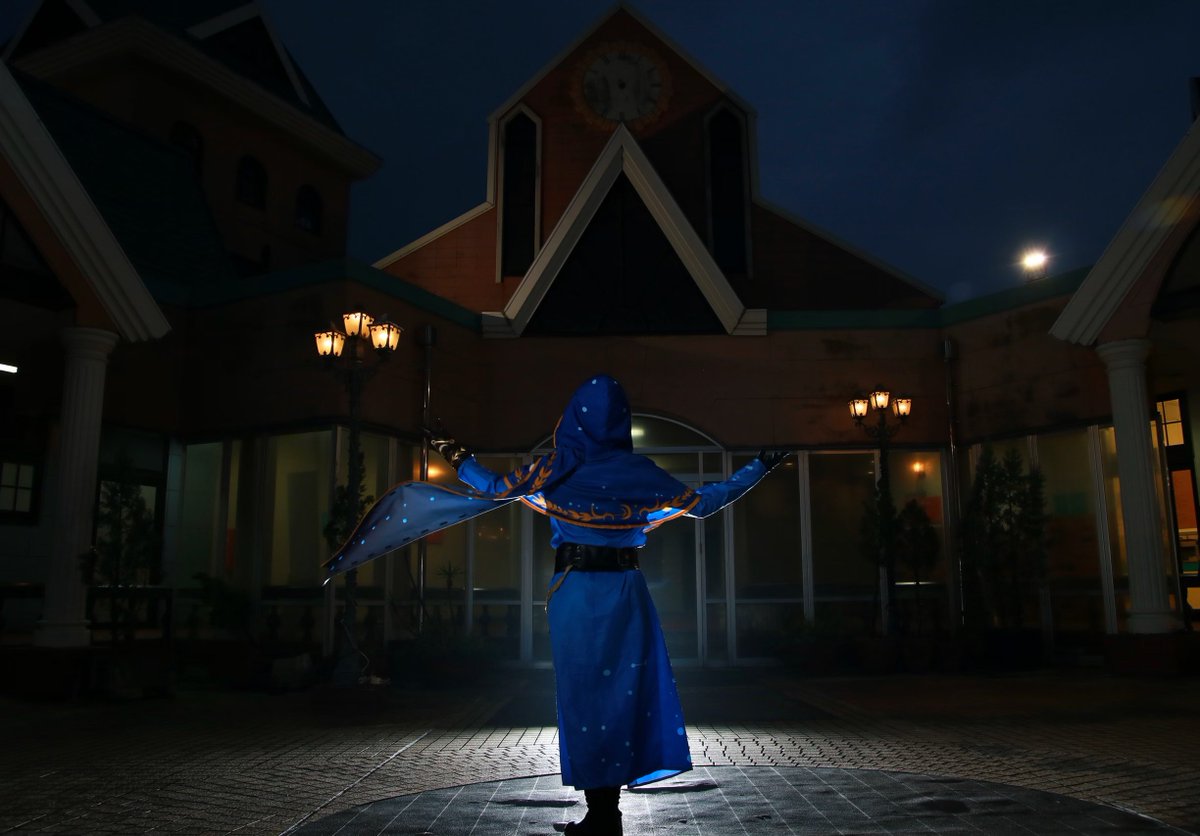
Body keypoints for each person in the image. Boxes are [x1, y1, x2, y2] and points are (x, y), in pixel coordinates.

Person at [427, 374, 786, 835]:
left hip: (575, 591)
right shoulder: (638, 472)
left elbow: (496, 487)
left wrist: (453, 452)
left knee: (584, 698)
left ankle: (602, 814)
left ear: (573, 418)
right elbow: (704, 503)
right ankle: (604, 814)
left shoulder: (556, 468)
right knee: (624, 695)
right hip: (625, 593)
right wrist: (757, 468)